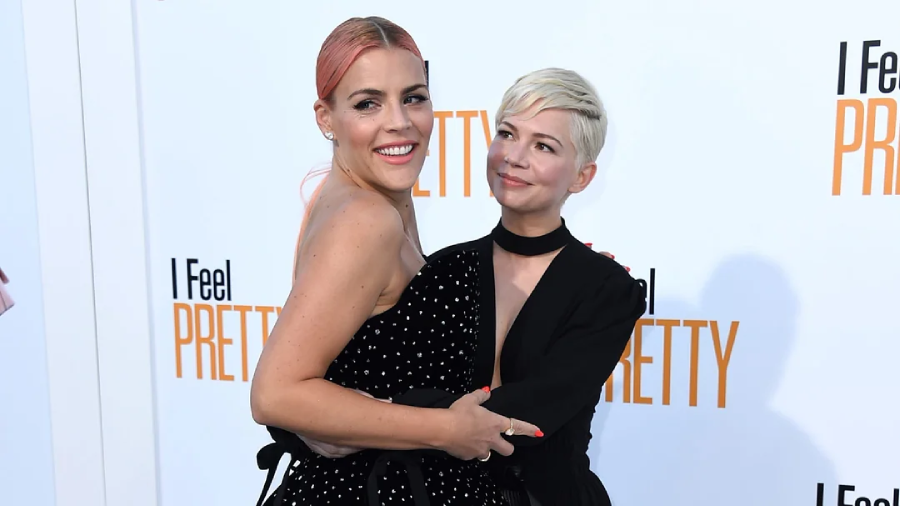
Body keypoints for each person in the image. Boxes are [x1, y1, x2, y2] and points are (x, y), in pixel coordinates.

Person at [297, 68, 647, 506]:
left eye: (543, 145)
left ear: (582, 177)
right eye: (507, 134)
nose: (514, 157)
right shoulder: (446, 268)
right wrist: (328, 416)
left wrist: (374, 414)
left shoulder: (607, 289)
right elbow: (348, 377)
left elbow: (529, 420)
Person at [249, 16, 543, 506]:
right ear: (326, 118)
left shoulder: (378, 199)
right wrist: (446, 429)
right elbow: (275, 394)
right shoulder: (367, 219)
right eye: (368, 103)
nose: (399, 122)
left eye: (413, 97)